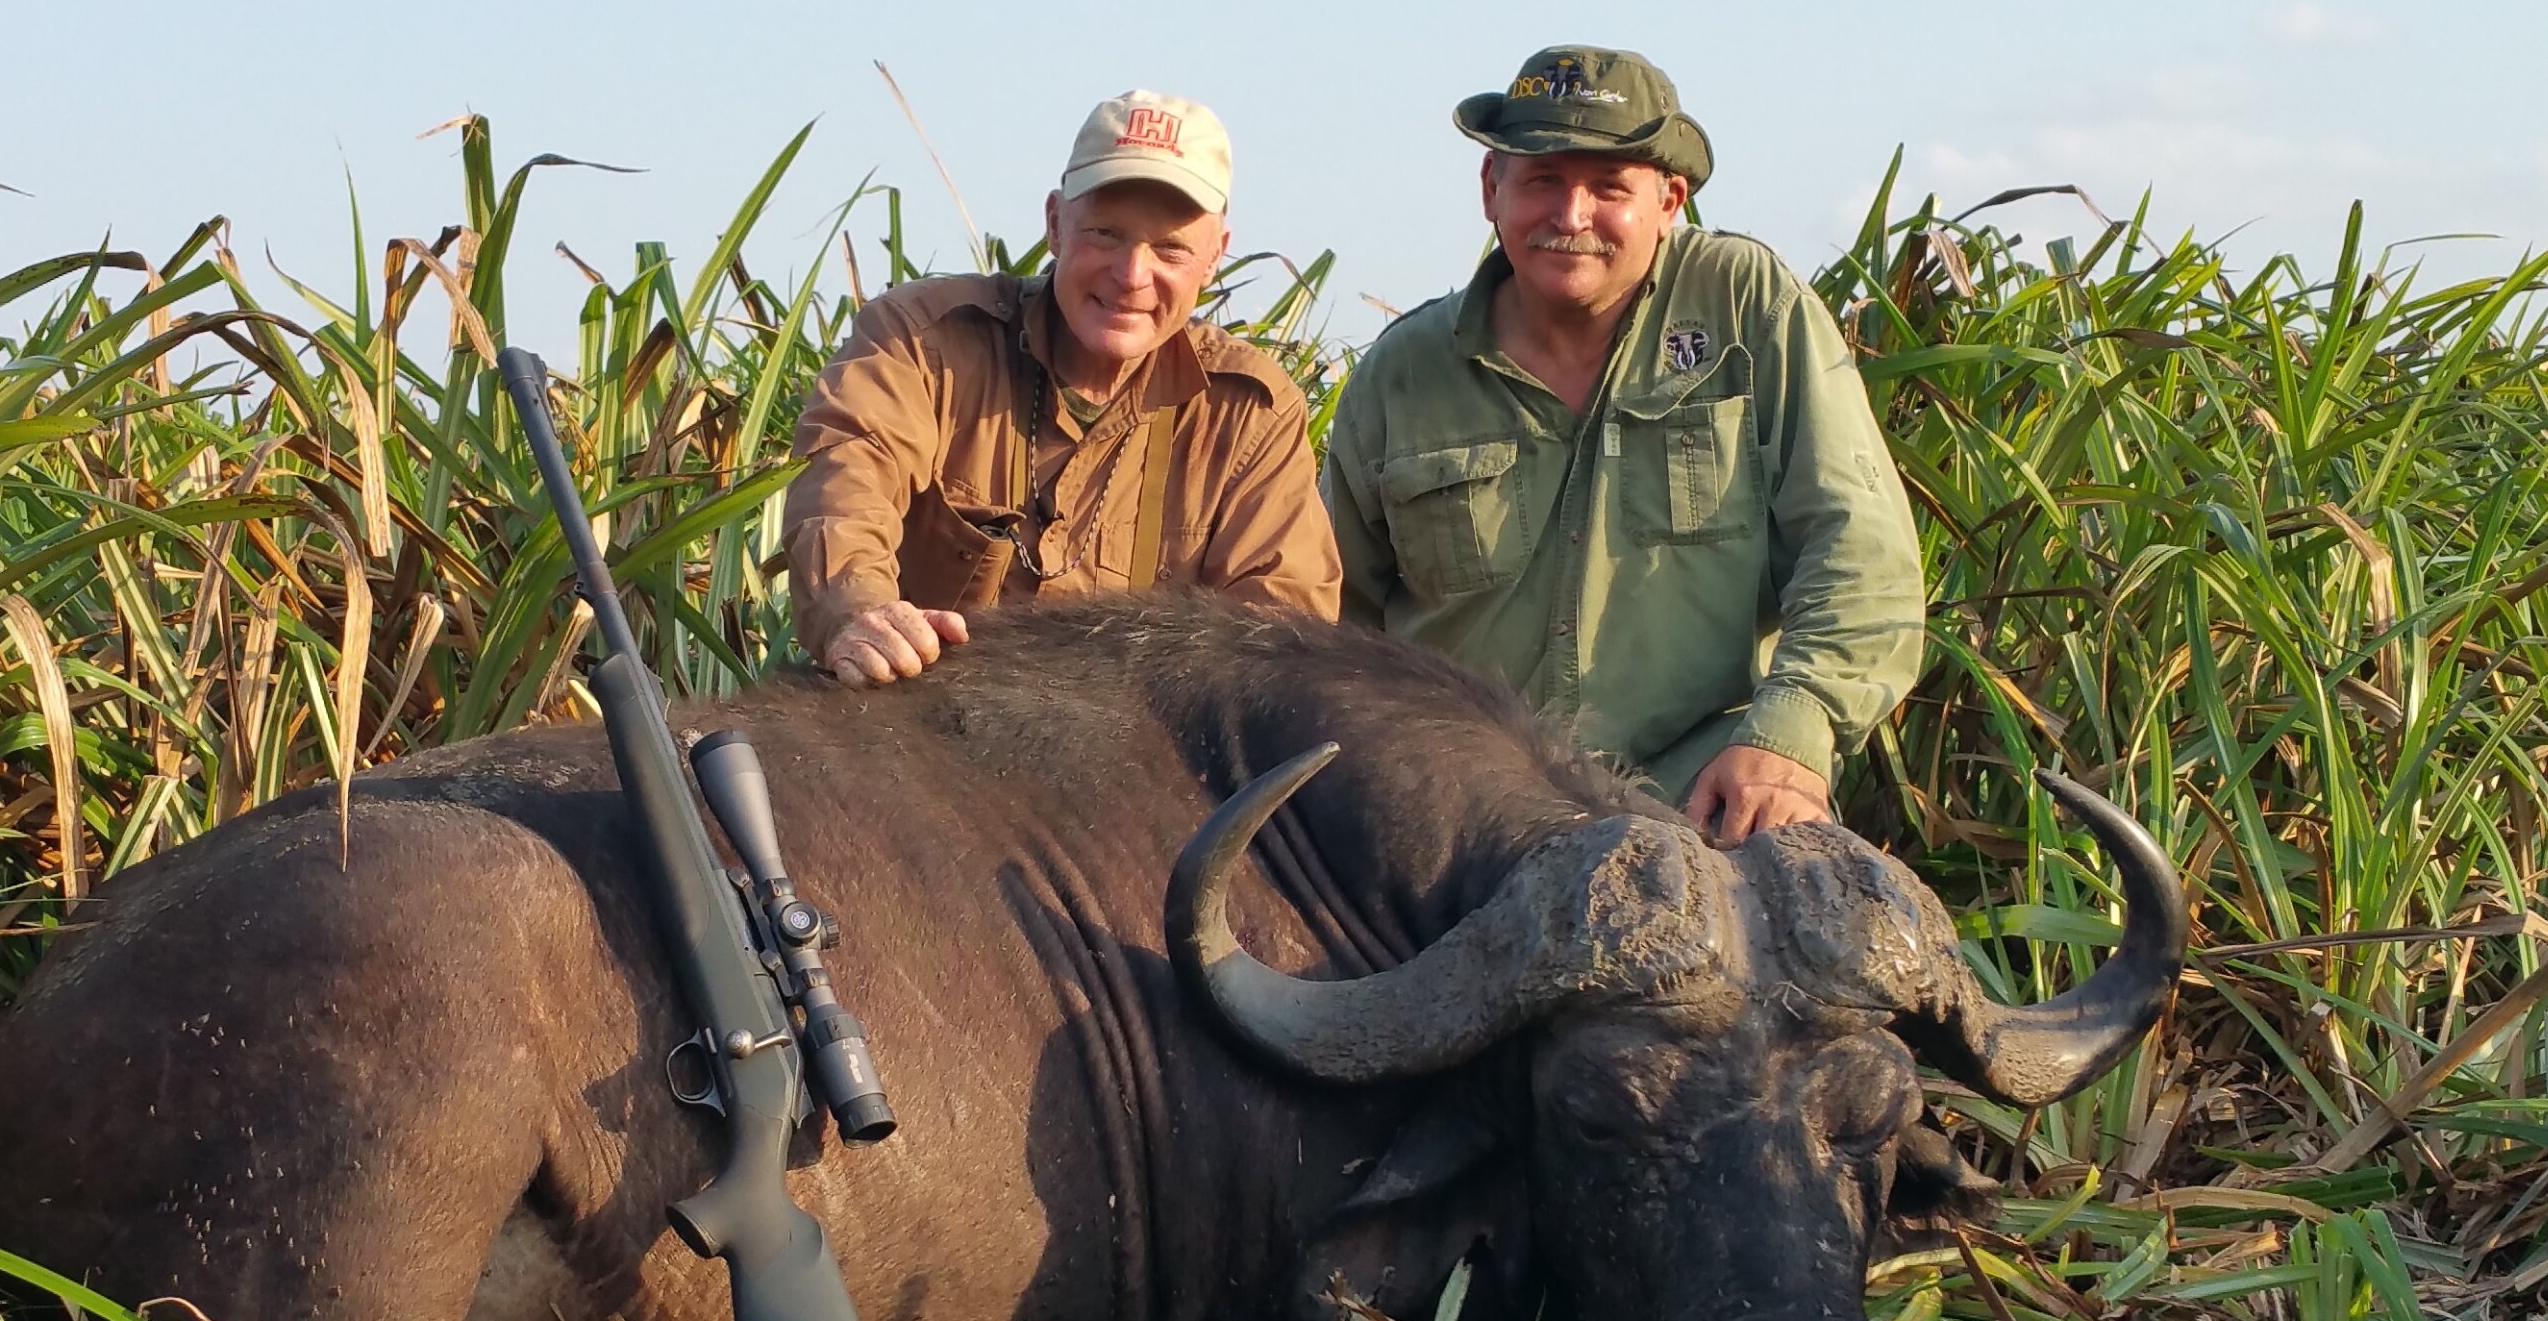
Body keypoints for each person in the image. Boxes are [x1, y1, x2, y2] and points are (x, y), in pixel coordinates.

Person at [1321, 46, 1924, 844]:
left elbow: (1861, 556)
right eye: (1541, 180)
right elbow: (1329, 615)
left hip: (1705, 799)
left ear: (1669, 200)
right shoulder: (1403, 372)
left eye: (1609, 188)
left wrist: (1790, 736)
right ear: (1490, 190)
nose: (1572, 217)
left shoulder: (1747, 307)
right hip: (1460, 815)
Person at [783, 91, 1341, 687]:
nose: (1131, 276)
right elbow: (847, 478)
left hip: (1137, 757)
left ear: (1214, 257)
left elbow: (1281, 631)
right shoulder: (921, 344)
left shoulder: (1250, 412)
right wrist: (861, 612)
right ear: (1054, 224)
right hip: (917, 736)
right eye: (1104, 234)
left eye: (1171, 249)